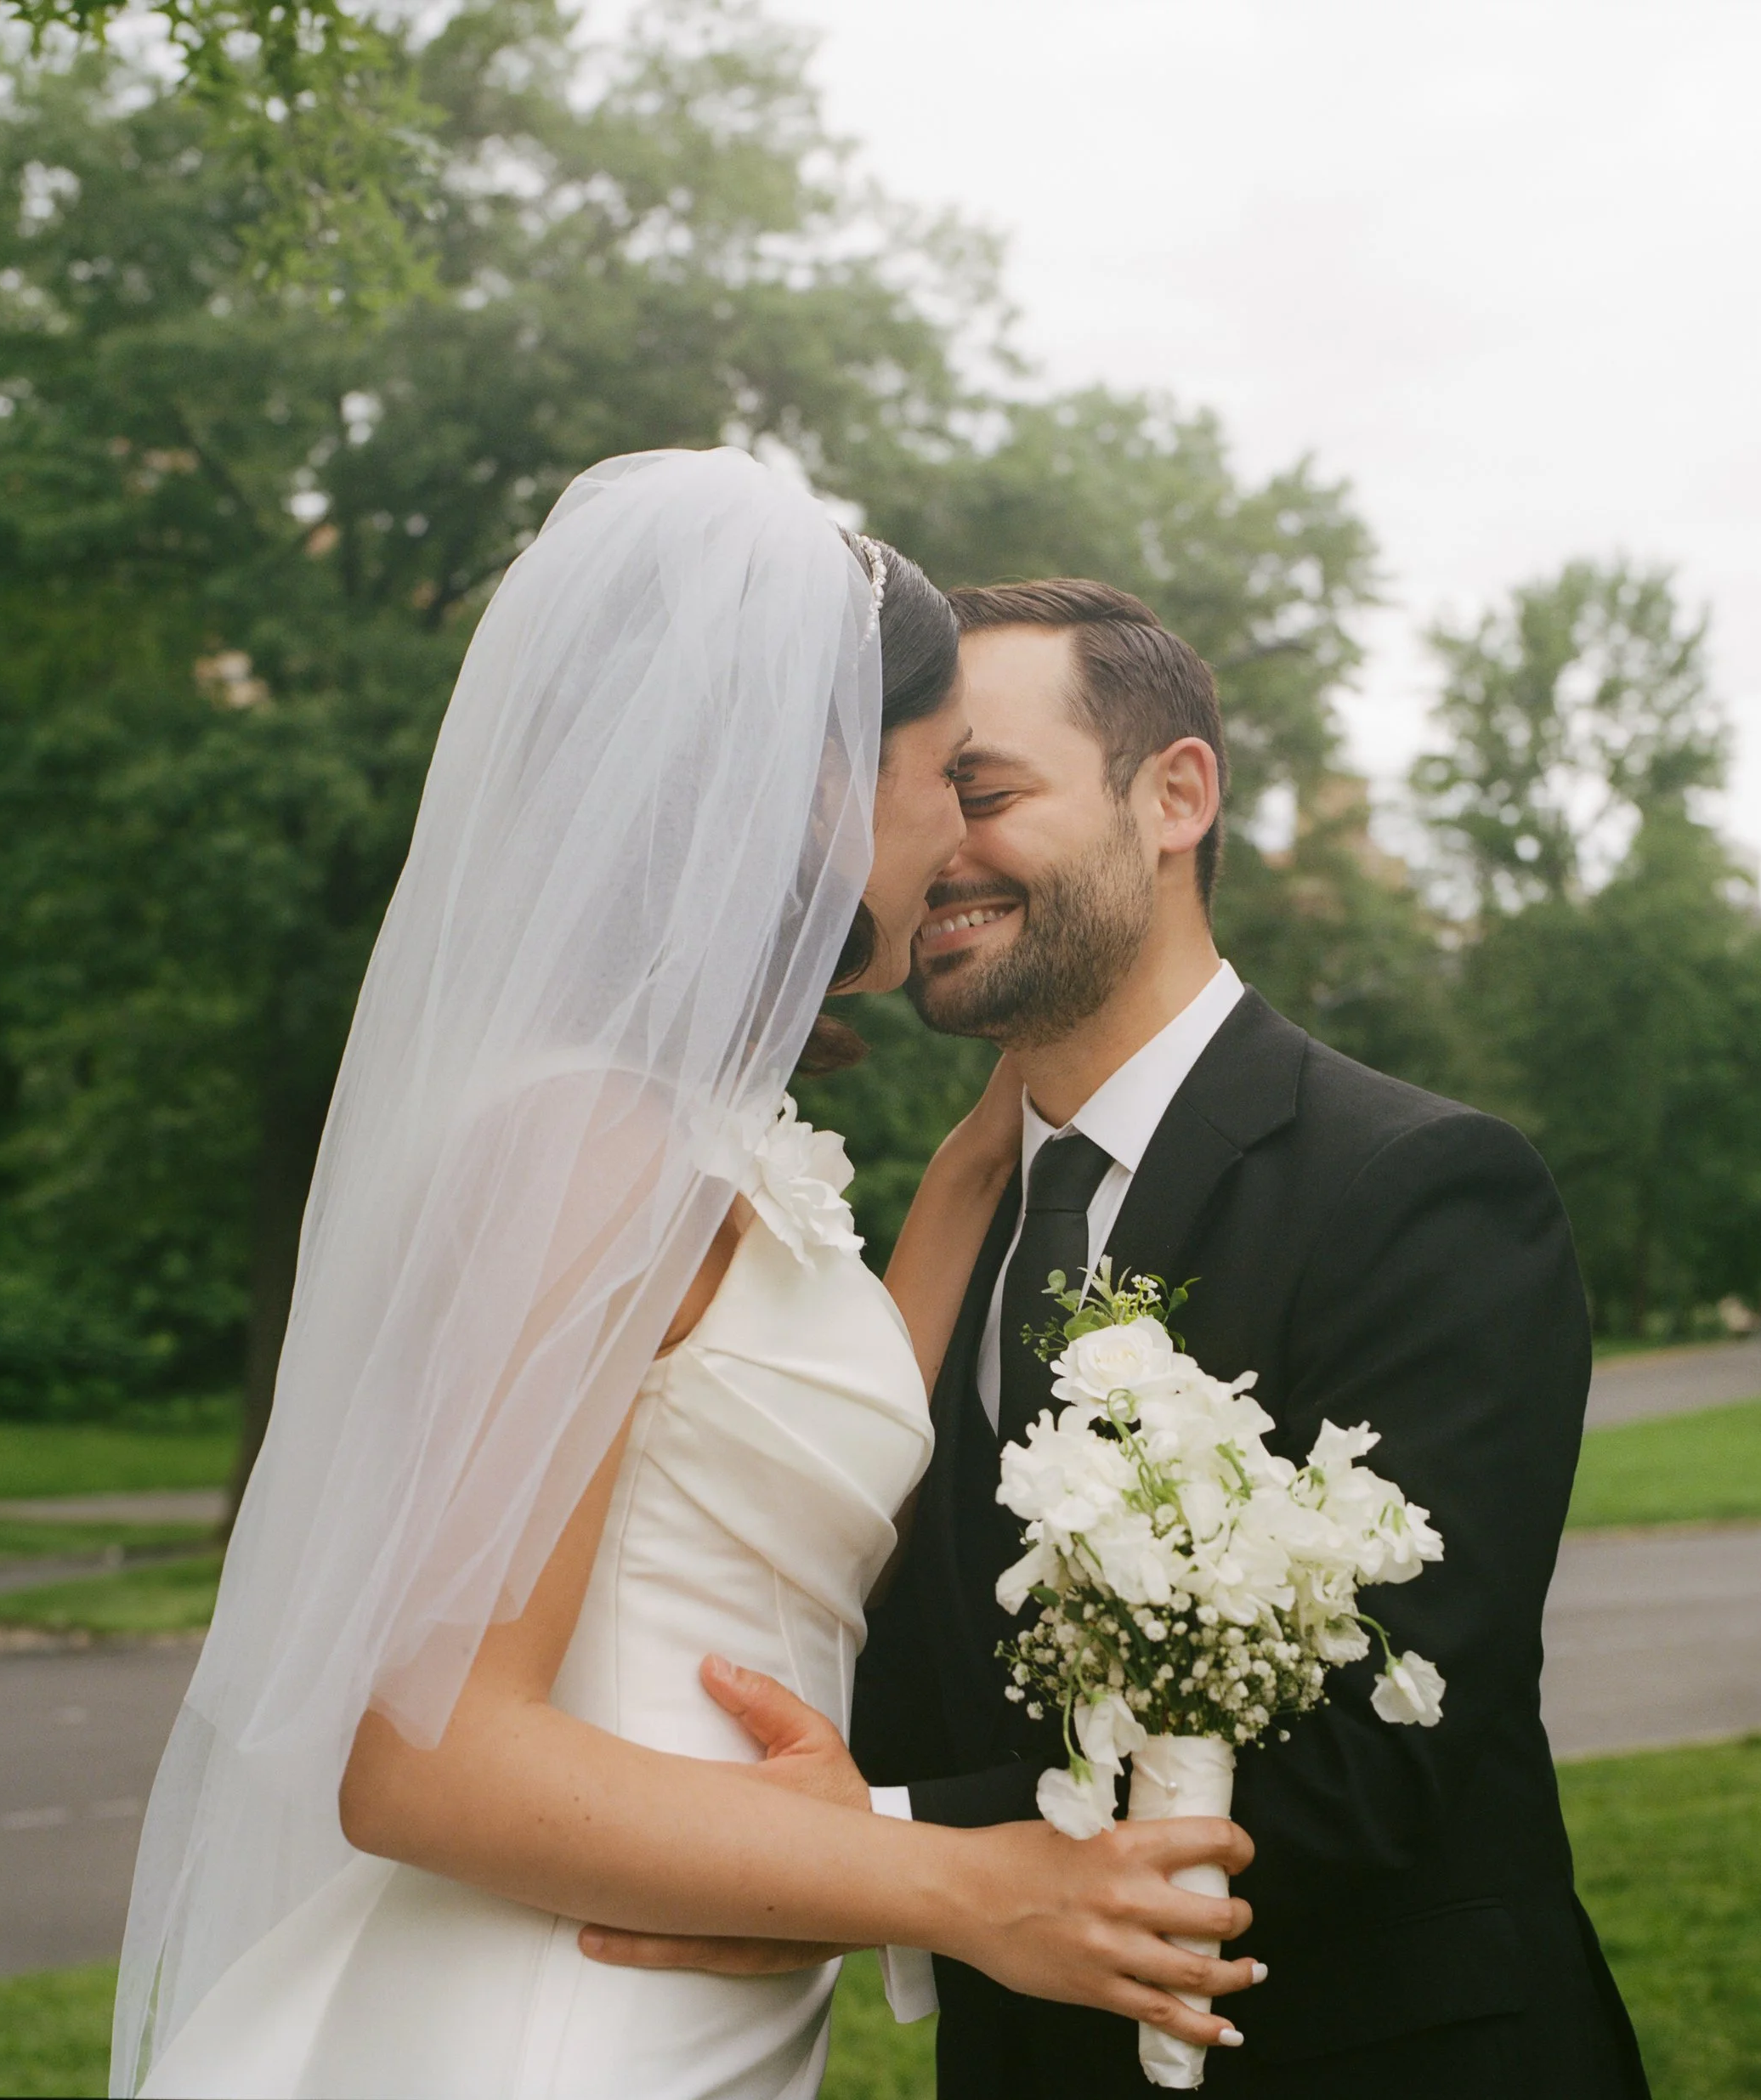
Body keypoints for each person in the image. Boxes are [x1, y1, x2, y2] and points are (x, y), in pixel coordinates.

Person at [115, 461, 1258, 2100]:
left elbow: (781, 1446)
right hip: (549, 2022)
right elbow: (424, 1757)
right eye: (946, 777)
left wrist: (1000, 1131)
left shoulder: (685, 1136)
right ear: (815, 786)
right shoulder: (586, 1145)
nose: (954, 835)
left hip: (680, 2013)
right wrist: (978, 1887)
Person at [586, 579, 1651, 2097]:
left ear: (1177, 794)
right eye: (919, 788)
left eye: (991, 789)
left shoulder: (1419, 1190)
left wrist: (863, 1849)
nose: (934, 846)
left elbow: (1366, 1762)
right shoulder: (935, 1233)